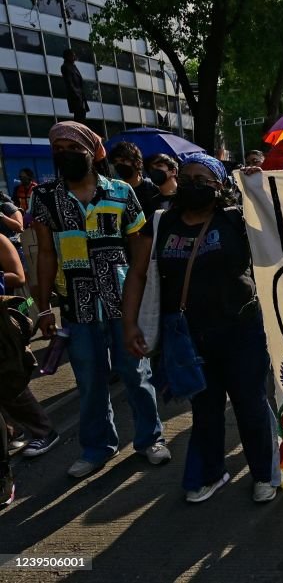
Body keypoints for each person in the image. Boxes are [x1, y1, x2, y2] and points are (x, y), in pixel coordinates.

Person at [122, 154, 277, 503]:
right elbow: (137, 273)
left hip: (242, 332)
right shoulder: (161, 223)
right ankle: (210, 473)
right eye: (187, 176)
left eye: (202, 178)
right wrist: (129, 323)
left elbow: (279, 234)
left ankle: (265, 473)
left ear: (219, 186)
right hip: (189, 339)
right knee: (205, 412)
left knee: (250, 405)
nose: (193, 183)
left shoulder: (237, 220)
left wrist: (260, 187)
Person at [31, 122, 168, 479]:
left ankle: (150, 438)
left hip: (123, 301)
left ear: (92, 152)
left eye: (71, 147)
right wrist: (42, 306)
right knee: (89, 380)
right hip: (76, 305)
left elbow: (140, 247)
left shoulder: (121, 192)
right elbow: (45, 254)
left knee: (136, 373)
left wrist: (142, 297)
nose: (64, 153)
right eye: (57, 148)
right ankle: (97, 448)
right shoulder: (45, 198)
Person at [0, 234, 59, 459]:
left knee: (9, 377)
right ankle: (11, 432)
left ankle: (44, 431)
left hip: (5, 321)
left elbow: (19, 276)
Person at [110, 141, 163, 220]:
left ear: (137, 163)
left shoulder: (153, 189)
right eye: (116, 162)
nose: (119, 165)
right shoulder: (113, 191)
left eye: (123, 161)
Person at [61, 49, 89, 123]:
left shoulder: (73, 66)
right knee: (79, 118)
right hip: (76, 97)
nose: (74, 57)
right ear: (68, 56)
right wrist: (77, 94)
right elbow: (69, 83)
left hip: (80, 96)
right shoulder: (65, 67)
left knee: (82, 116)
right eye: (73, 55)